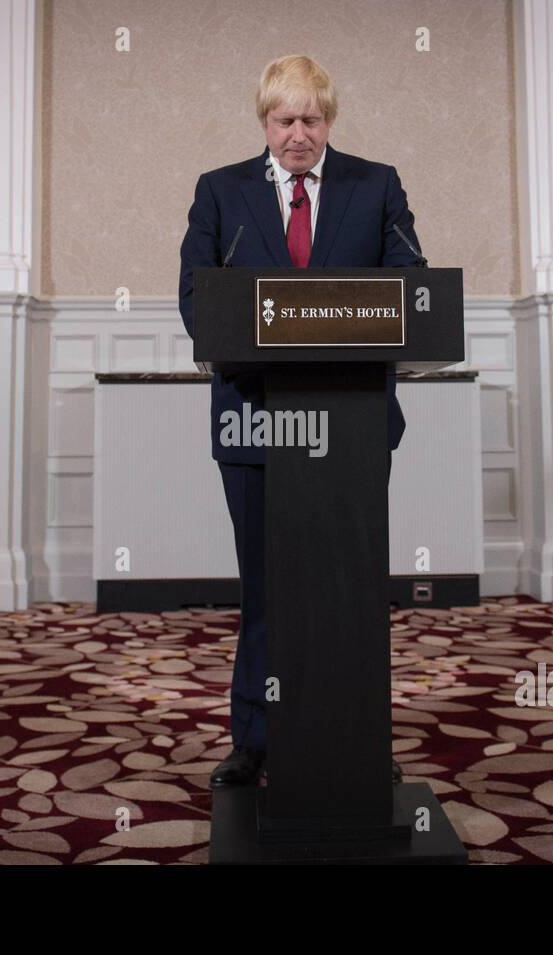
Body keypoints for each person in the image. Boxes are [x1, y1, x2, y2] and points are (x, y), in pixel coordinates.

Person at [178, 54, 422, 789]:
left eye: (311, 119)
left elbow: (411, 285)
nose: (298, 135)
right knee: (267, 586)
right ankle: (254, 736)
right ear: (264, 122)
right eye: (284, 120)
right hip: (255, 422)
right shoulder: (219, 193)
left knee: (346, 586)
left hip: (351, 422)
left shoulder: (375, 185)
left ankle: (352, 732)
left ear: (329, 120)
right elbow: (197, 298)